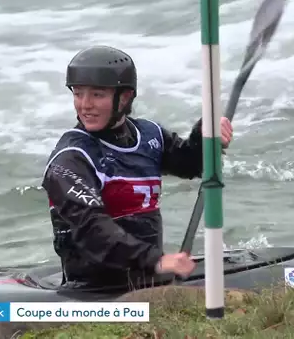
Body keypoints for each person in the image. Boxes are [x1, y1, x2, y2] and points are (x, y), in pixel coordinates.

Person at [41, 45, 233, 288]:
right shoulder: (70, 158)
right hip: (94, 288)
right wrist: (156, 260)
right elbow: (91, 231)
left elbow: (191, 165)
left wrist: (205, 136)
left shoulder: (149, 135)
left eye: (97, 95)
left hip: (148, 275)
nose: (85, 105)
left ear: (125, 97)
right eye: (78, 94)